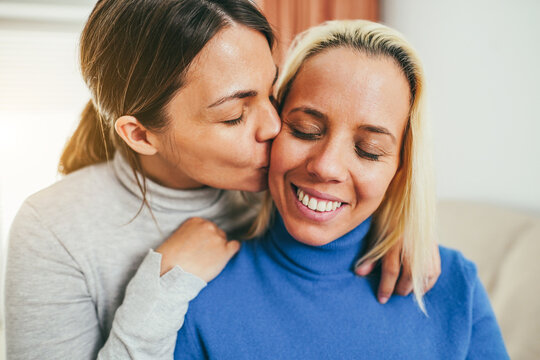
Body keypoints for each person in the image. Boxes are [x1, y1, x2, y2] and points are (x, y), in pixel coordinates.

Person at [4, 1, 439, 359]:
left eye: (272, 93)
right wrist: (162, 289)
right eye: (234, 115)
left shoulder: (288, 186)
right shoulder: (53, 229)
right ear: (140, 134)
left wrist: (395, 224)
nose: (274, 127)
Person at [173, 20, 509, 359]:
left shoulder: (454, 286)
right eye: (305, 130)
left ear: (400, 168)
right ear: (273, 124)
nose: (326, 166)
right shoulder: (196, 290)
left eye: (369, 150)